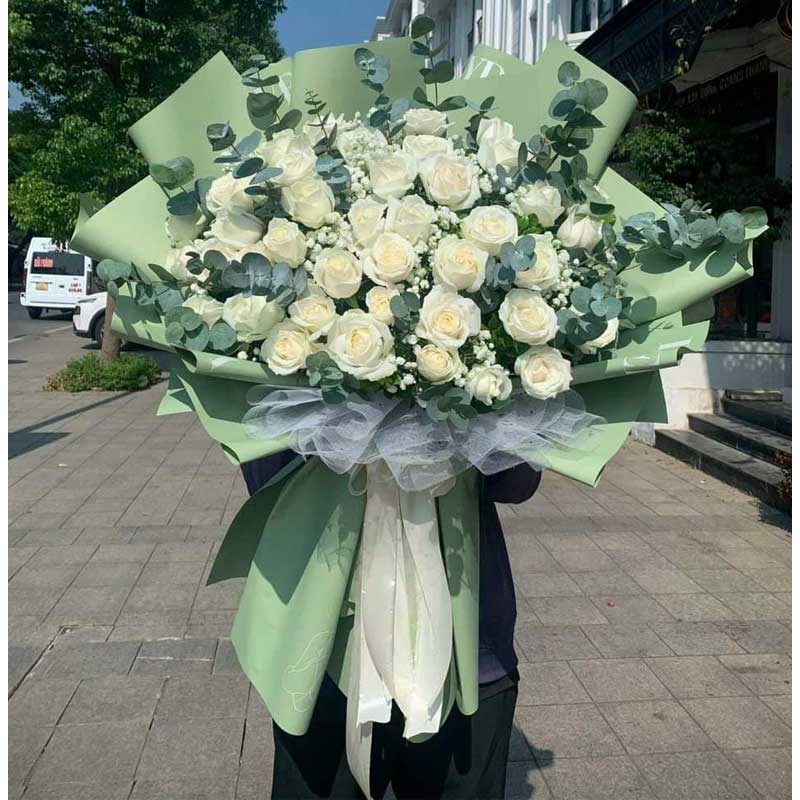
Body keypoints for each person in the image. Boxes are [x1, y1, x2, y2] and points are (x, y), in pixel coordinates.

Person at [241, 454, 541, 800]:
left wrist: (483, 435)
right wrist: (323, 437)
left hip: (465, 650)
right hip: (326, 650)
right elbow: (266, 474)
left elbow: (517, 483)